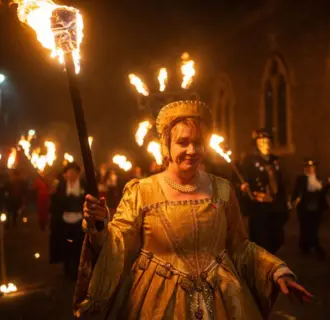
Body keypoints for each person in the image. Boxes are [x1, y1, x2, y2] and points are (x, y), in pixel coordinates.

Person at [75, 100, 312, 319]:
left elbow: (239, 247)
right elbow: (117, 244)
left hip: (223, 299)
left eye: (197, 142)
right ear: (166, 146)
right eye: (182, 142)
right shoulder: (142, 191)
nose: (191, 150)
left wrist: (276, 270)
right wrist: (100, 224)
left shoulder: (223, 190)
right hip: (155, 302)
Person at [239, 129, 289, 253]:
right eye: (261, 143)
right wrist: (244, 187)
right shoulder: (249, 161)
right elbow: (242, 179)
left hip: (275, 204)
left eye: (267, 142)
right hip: (259, 205)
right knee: (261, 238)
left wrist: (285, 199)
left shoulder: (275, 160)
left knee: (277, 238)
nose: (265, 145)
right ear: (257, 144)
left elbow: (282, 181)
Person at [292, 159, 330, 260]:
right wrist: (294, 200)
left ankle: (310, 246)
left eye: (312, 167)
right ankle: (311, 247)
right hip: (305, 207)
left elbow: (322, 192)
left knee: (313, 229)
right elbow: (298, 191)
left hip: (317, 207)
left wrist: (328, 185)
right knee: (305, 228)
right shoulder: (301, 178)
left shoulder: (318, 179)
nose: (310, 169)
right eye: (308, 167)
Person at [49, 162, 86, 279]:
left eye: (74, 172)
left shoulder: (83, 185)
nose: (71, 175)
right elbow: (56, 203)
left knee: (78, 245)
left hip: (79, 220)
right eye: (69, 172)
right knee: (65, 244)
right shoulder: (61, 186)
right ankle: (66, 268)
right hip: (64, 220)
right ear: (65, 174)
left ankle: (76, 269)